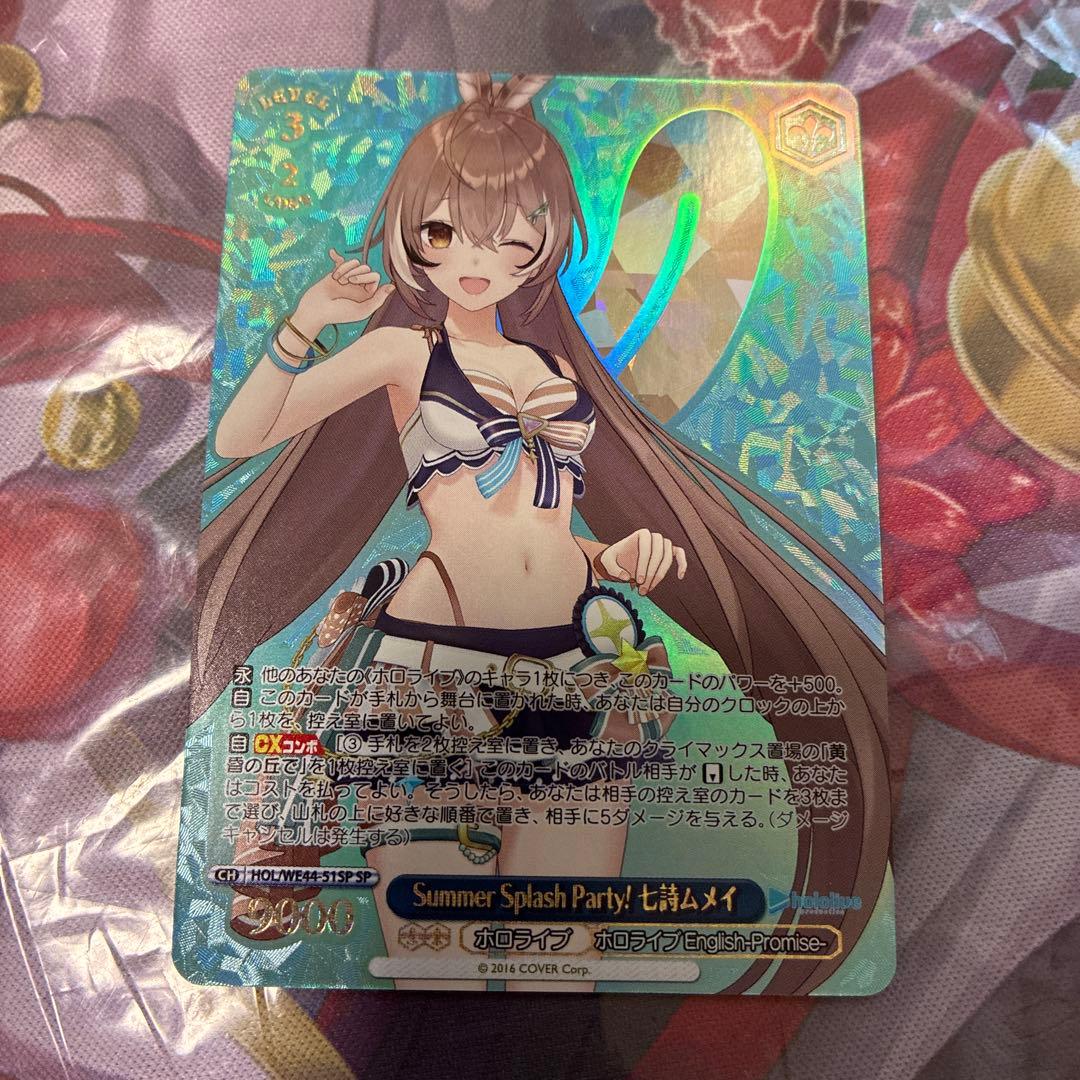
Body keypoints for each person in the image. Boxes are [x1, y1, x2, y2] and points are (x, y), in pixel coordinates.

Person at [198, 72, 889, 994]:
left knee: (559, 968)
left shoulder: (554, 367)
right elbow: (241, 436)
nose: (474, 259)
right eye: (445, 233)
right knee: (438, 969)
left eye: (507, 236)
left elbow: (543, 525)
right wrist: (305, 323)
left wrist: (616, 555)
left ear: (543, 240)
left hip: (575, 670)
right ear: (412, 233)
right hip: (436, 669)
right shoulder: (407, 351)